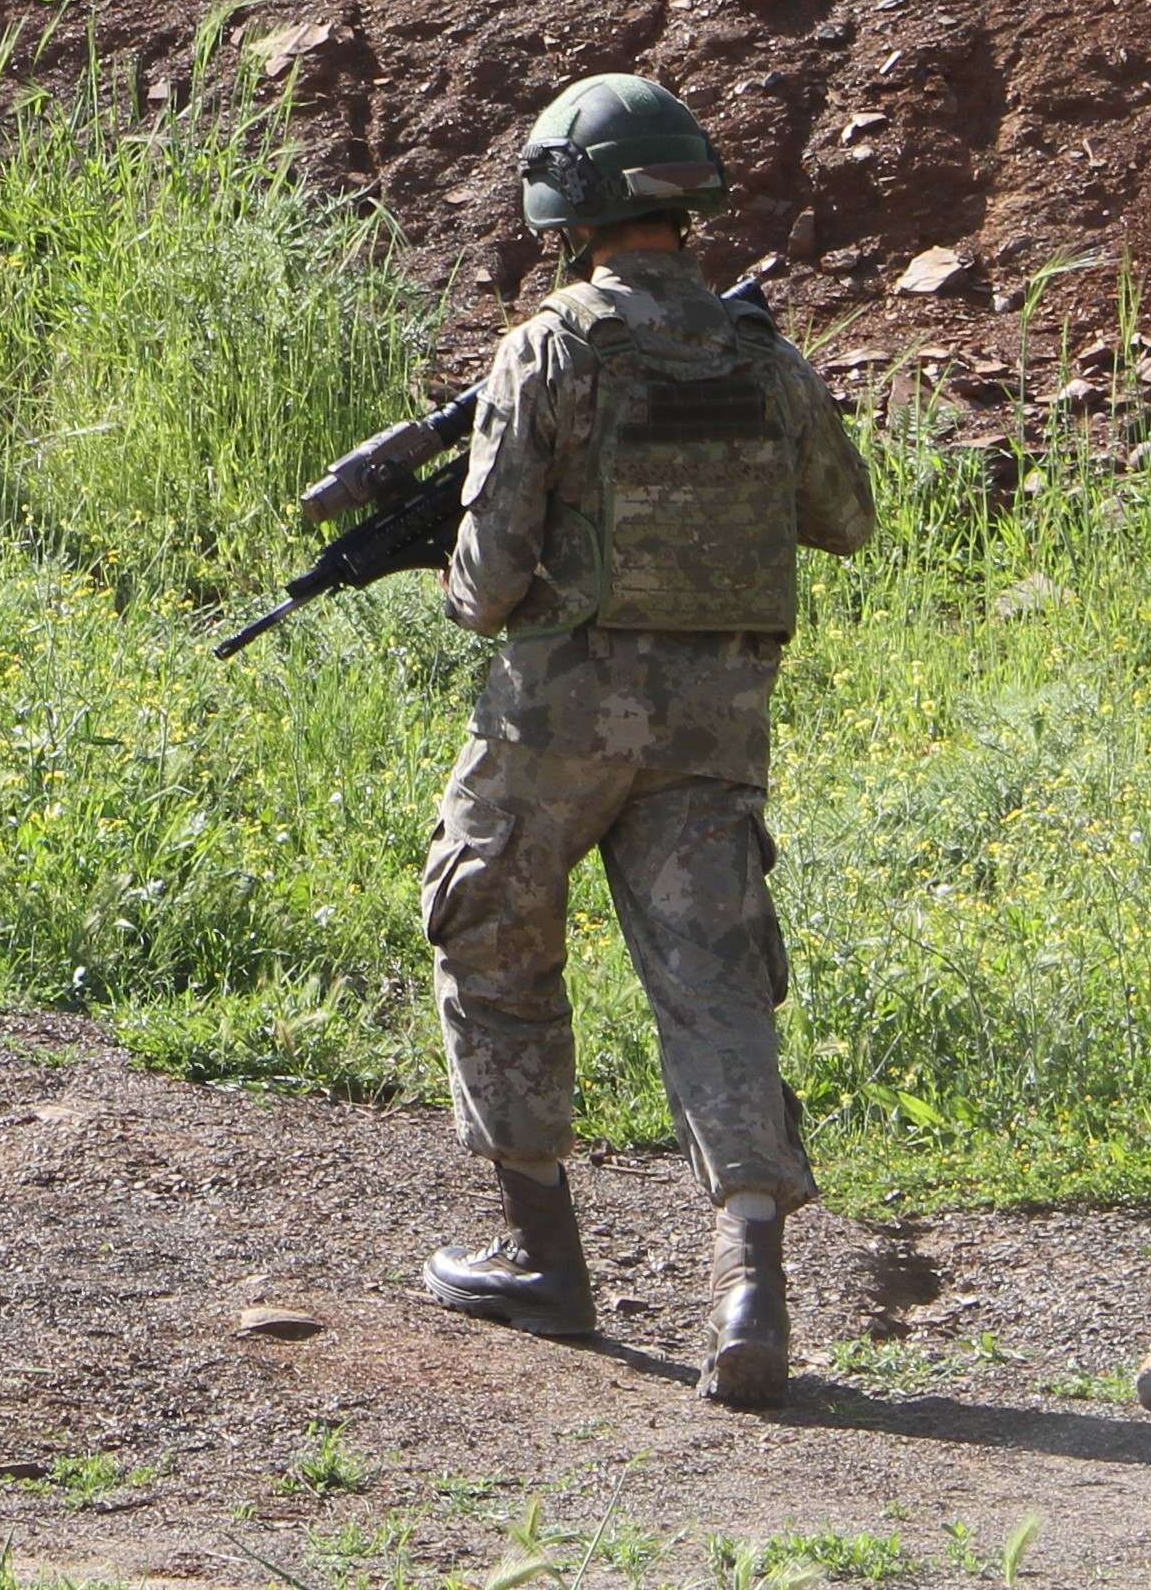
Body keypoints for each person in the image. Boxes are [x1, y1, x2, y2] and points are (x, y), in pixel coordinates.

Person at [319, 72, 875, 1408]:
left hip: (555, 722)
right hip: (716, 727)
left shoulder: (551, 348)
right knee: (716, 986)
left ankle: (545, 1263)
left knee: (492, 938)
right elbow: (844, 518)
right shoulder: (762, 359)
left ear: (566, 205)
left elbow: (488, 584)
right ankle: (751, 1286)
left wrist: (442, 555)